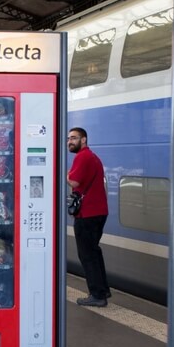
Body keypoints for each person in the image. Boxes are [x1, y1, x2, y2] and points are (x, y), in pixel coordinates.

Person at [67, 127, 110, 307]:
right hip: (98, 212)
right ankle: (102, 290)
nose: (70, 141)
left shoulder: (83, 156)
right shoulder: (92, 157)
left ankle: (97, 295)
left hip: (88, 214)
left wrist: (64, 173)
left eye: (74, 138)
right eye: (69, 138)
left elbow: (74, 181)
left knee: (87, 255)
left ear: (83, 140)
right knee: (94, 252)